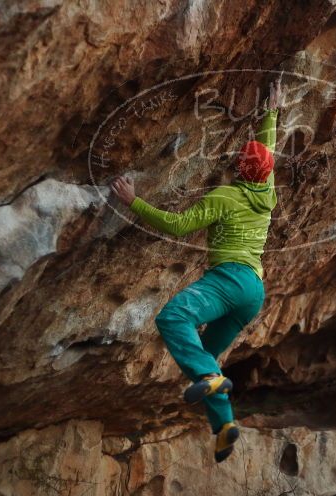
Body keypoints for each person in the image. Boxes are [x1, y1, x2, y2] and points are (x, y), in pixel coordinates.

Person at [110, 81, 282, 462]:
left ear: (239, 167)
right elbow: (266, 150)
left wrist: (134, 202)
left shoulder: (226, 196)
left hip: (229, 281)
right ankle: (224, 426)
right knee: (205, 357)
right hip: (254, 290)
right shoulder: (267, 190)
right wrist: (271, 113)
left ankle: (210, 380)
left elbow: (178, 227)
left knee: (173, 318)